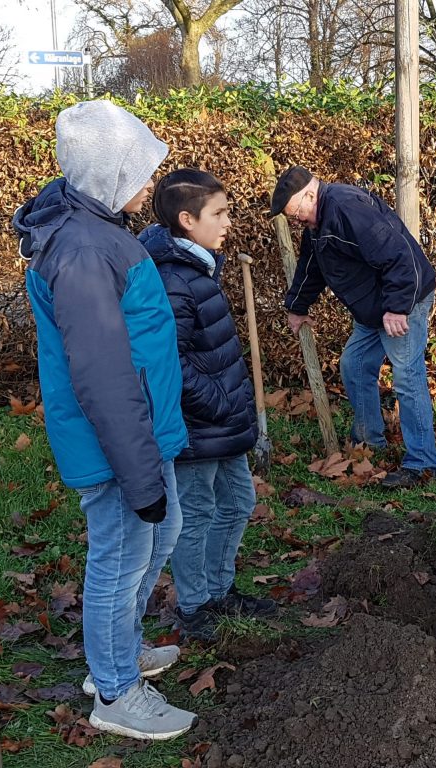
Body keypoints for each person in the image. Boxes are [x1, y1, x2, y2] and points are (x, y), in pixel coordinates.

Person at [12, 100, 196, 740]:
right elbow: (102, 374)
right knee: (120, 560)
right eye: (140, 171)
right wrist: (139, 473)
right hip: (116, 444)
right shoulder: (84, 249)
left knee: (162, 534)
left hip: (141, 435)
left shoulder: (97, 228)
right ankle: (115, 691)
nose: (152, 185)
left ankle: (118, 649)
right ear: (109, 173)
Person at [138, 169, 278, 642]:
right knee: (196, 513)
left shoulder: (197, 267)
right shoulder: (173, 279)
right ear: (186, 219)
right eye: (218, 213)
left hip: (223, 421)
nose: (227, 222)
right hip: (200, 425)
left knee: (239, 500)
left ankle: (219, 589)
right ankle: (195, 605)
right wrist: (218, 402)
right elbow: (167, 363)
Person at [271, 165, 436, 488]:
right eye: (294, 219)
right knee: (355, 363)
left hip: (403, 301)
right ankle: (368, 441)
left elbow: (397, 255)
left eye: (297, 214)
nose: (299, 222)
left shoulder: (347, 208)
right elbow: (311, 265)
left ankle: (423, 463)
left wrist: (396, 307)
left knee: (406, 375)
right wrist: (296, 307)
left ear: (310, 194)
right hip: (374, 309)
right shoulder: (318, 222)